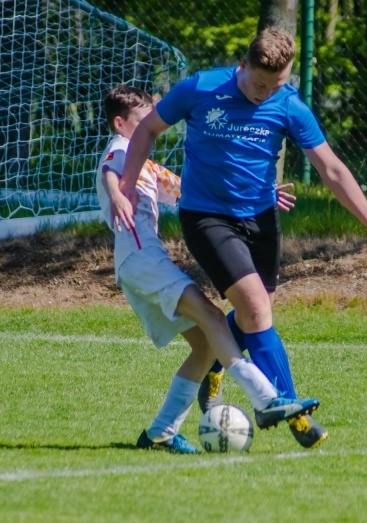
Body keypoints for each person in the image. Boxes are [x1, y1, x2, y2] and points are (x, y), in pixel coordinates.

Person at [115, 28, 367, 449]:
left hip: (261, 220)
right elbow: (146, 131)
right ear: (242, 66)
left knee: (257, 311)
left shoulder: (290, 106)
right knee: (254, 305)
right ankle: (290, 413)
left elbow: (332, 169)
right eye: (259, 84)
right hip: (207, 217)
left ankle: (216, 357)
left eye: (278, 85)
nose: (266, 93)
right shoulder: (200, 88)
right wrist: (125, 183)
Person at [96, 85, 320, 454]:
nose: (152, 124)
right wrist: (118, 193)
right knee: (215, 319)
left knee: (203, 347)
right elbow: (110, 169)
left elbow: (192, 190)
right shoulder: (121, 148)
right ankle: (266, 399)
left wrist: (261, 195)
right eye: (142, 120)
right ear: (120, 123)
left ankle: (160, 433)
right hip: (142, 260)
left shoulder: (148, 166)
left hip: (138, 265)